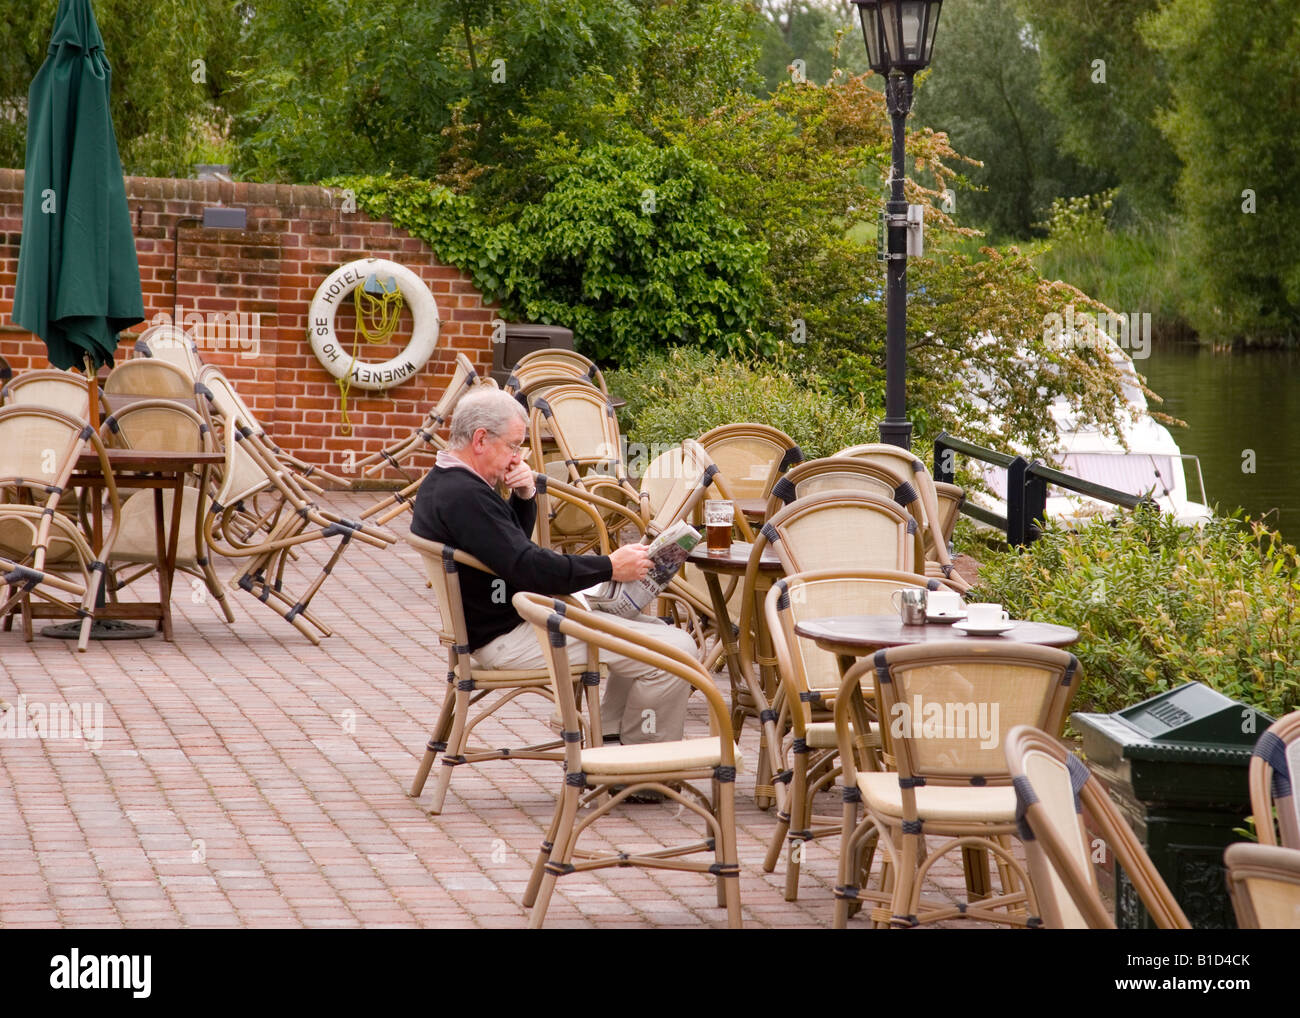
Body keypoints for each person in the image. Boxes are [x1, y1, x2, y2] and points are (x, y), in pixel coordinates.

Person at [410, 386, 695, 746]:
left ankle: (609, 733)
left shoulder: (447, 483)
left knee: (655, 630)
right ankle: (642, 770)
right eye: (513, 446)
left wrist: (524, 496)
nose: (517, 459)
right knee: (676, 652)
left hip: (506, 623)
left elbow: (508, 548)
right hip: (510, 637)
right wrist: (609, 567)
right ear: (480, 439)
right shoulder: (465, 497)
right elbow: (528, 565)